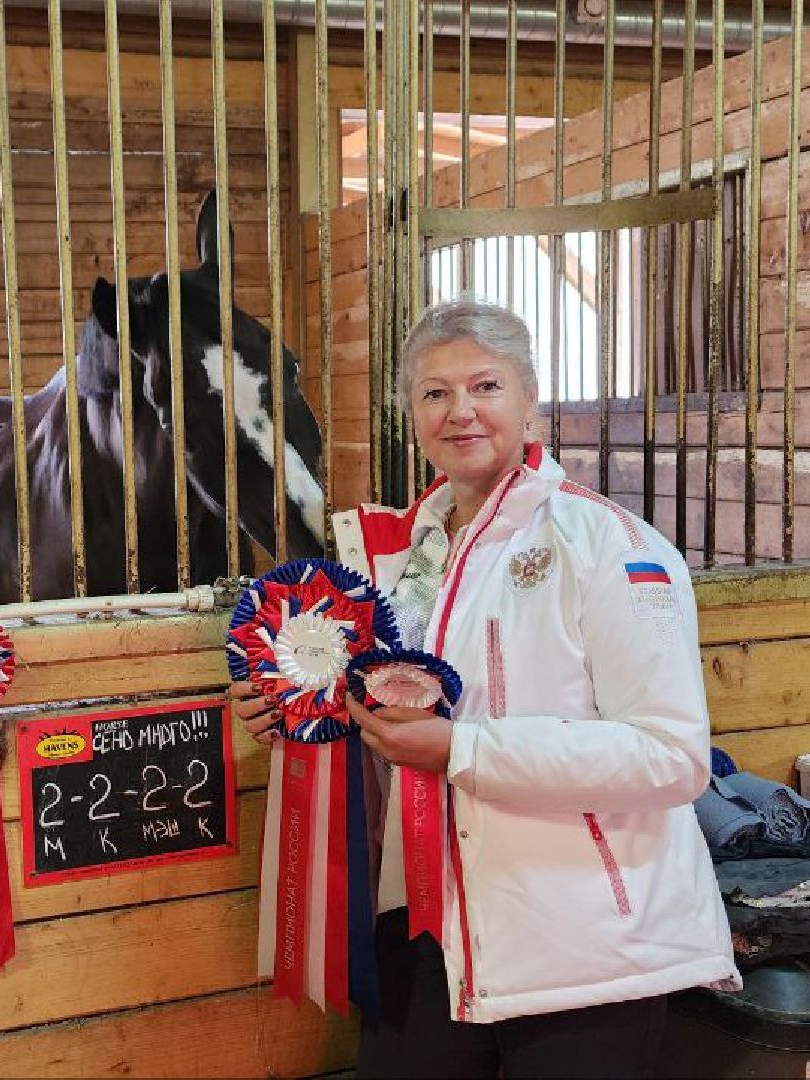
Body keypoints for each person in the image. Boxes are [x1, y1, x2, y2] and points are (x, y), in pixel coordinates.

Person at [229, 296, 737, 1079]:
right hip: (427, 926)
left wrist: (461, 750)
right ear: (411, 415)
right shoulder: (394, 560)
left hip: (582, 948)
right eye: (434, 393)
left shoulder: (611, 547)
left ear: (530, 400)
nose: (459, 411)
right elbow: (375, 710)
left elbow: (670, 758)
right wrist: (297, 713)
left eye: (485, 386)